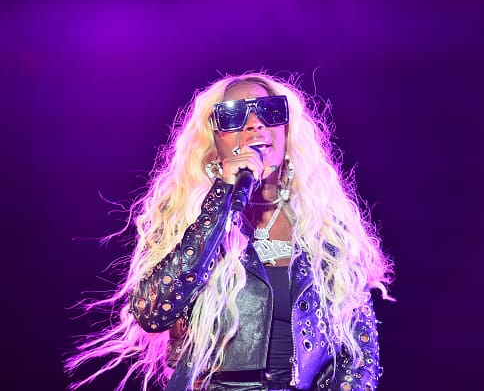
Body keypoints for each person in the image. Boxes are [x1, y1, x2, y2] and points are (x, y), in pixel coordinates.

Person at [66, 72, 394, 391]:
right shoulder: (187, 218)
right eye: (234, 116)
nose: (254, 123)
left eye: (270, 111)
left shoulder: (326, 227)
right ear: (214, 139)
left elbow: (359, 357)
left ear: (286, 130)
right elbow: (152, 312)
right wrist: (221, 199)